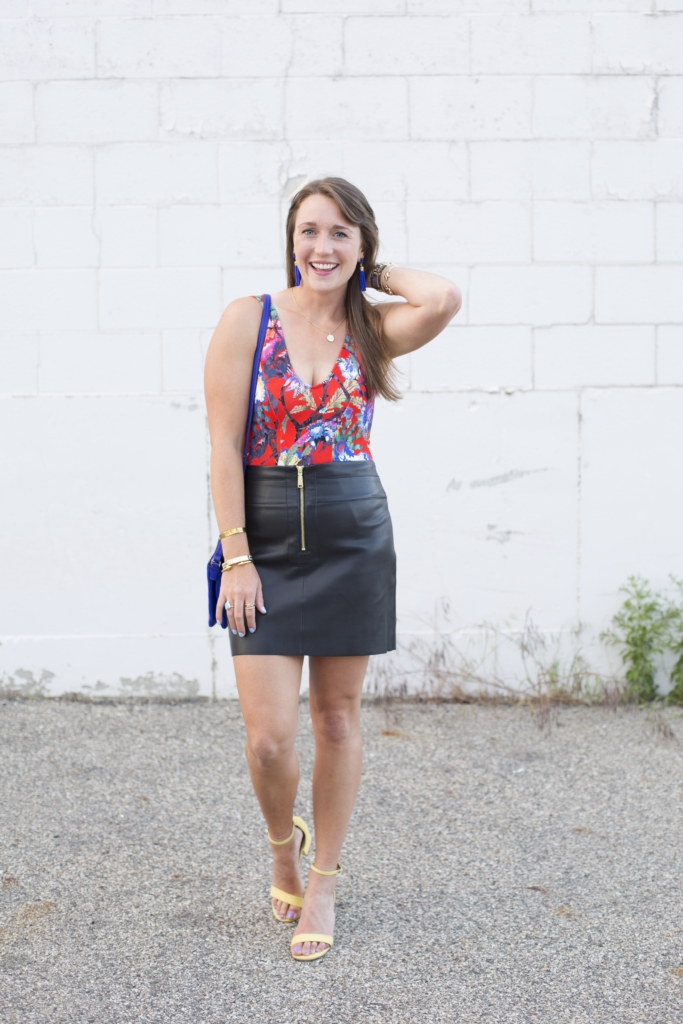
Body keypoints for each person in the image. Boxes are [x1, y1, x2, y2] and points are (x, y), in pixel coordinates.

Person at [204, 177, 461, 961]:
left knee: (337, 719)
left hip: (354, 534)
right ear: (289, 240)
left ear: (361, 245)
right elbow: (220, 447)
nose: (321, 246)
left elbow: (443, 296)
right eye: (310, 231)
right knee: (270, 740)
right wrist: (237, 556)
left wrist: (368, 274)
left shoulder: (371, 329)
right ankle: (282, 844)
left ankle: (322, 879)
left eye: (340, 234)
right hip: (267, 542)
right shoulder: (246, 320)